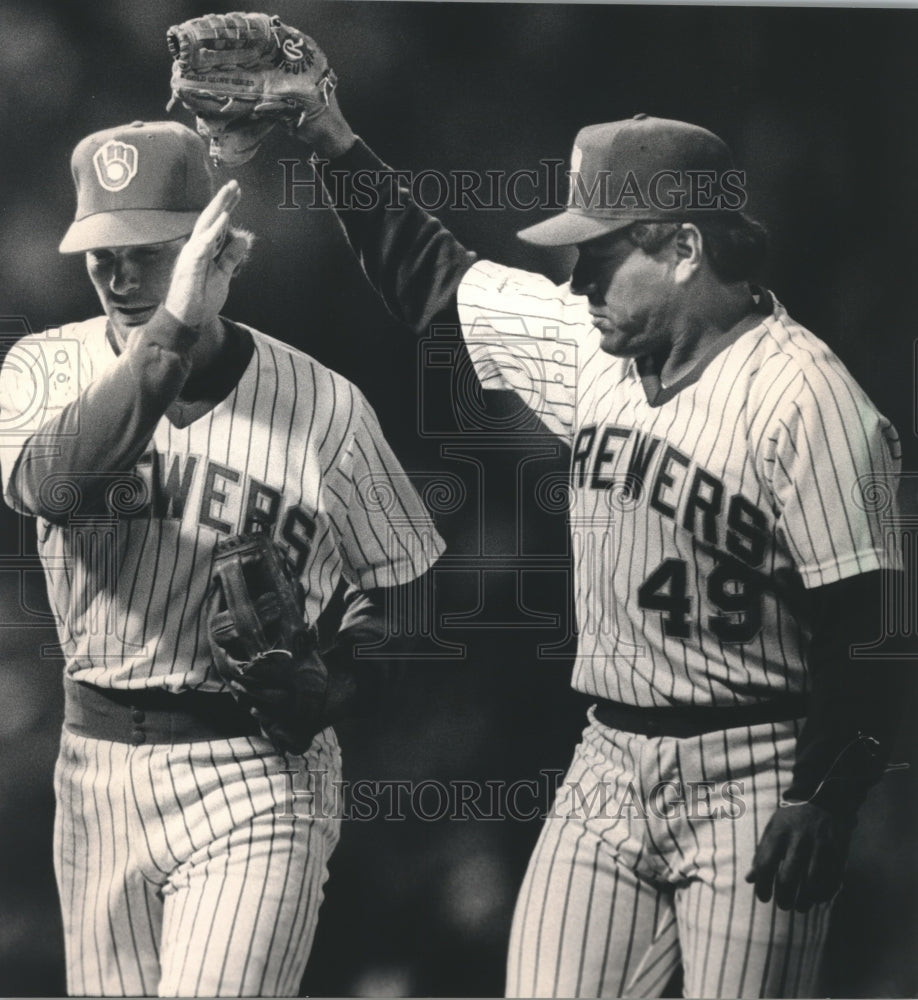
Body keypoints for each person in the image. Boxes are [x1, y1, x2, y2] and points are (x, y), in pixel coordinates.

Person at [274, 73, 905, 997]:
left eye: (602, 253)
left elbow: (873, 632)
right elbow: (433, 279)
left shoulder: (812, 404)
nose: (579, 278)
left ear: (686, 247)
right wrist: (330, 138)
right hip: (608, 756)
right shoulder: (590, 342)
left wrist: (822, 794)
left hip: (758, 765)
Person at [0, 120, 444, 997]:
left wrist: (341, 676)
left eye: (147, 250)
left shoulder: (323, 406)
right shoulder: (41, 367)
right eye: (100, 253)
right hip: (95, 770)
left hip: (259, 771)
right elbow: (53, 487)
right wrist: (171, 322)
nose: (119, 276)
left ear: (224, 248)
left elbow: (405, 584)